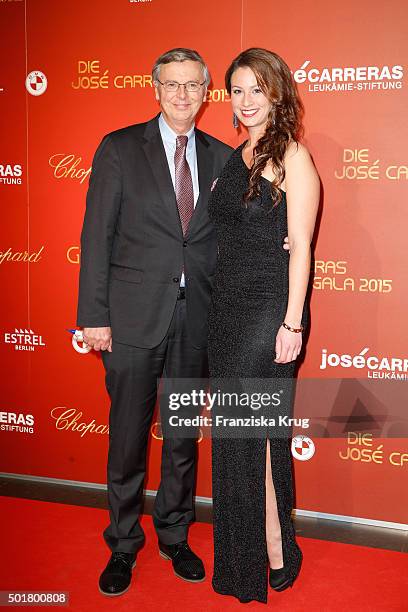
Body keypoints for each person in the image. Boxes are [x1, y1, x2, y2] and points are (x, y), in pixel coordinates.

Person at [76, 48, 233, 596]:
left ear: (207, 91)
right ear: (155, 89)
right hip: (131, 321)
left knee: (182, 438)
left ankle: (174, 534)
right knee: (126, 439)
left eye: (193, 85)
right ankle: (122, 544)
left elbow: (228, 240)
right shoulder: (119, 148)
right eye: (172, 84)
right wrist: (93, 317)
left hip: (198, 322)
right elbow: (96, 236)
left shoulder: (223, 157)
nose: (183, 95)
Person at [208, 48, 319, 604]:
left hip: (268, 314)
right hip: (225, 314)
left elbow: (301, 247)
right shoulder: (238, 155)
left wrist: (292, 322)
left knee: (256, 434)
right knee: (233, 438)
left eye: (257, 89)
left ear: (277, 93)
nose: (246, 101)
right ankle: (251, 548)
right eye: (237, 90)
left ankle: (275, 547)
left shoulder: (292, 157)